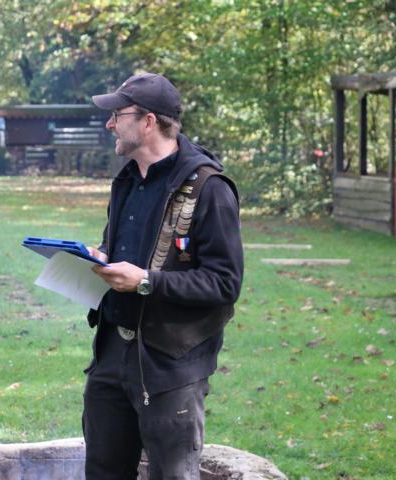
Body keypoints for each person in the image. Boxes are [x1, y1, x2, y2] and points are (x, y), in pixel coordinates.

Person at [83, 72, 244, 480]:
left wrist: (145, 281)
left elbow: (225, 283)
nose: (109, 124)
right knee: (102, 472)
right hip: (111, 356)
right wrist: (99, 257)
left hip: (171, 365)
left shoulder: (210, 189)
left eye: (118, 115)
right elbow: (129, 253)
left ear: (148, 122)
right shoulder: (126, 181)